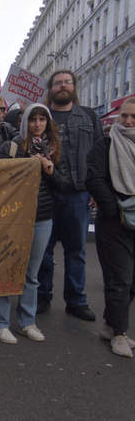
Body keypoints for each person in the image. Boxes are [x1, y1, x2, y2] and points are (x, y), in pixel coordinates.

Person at [0, 103, 69, 344]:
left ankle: (27, 321)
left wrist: (50, 169)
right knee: (6, 270)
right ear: (24, 122)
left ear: (47, 123)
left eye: (42, 120)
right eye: (32, 119)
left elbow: (64, 185)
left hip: (41, 217)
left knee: (32, 274)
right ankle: (0, 323)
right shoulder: (12, 146)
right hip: (12, 218)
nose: (37, 124)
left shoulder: (53, 149)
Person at [37, 70, 102, 321]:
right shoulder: (41, 116)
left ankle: (76, 300)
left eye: (67, 82)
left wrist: (97, 189)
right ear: (50, 88)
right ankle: (42, 295)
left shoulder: (88, 116)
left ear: (74, 86)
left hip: (78, 193)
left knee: (76, 251)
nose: (63, 86)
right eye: (58, 83)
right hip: (46, 193)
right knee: (44, 249)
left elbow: (98, 155)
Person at [86, 96, 135, 357]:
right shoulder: (106, 144)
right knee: (120, 279)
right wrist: (113, 209)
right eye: (124, 116)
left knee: (132, 282)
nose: (127, 121)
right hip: (114, 222)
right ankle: (120, 334)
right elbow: (94, 178)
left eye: (133, 117)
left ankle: (110, 325)